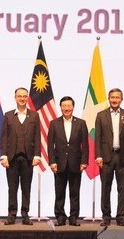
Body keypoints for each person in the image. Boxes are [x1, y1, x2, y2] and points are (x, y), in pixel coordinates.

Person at [94, 88, 124, 227]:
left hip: (123, 156)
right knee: (106, 187)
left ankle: (120, 216)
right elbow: (98, 138)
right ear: (108, 98)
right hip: (106, 157)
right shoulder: (101, 115)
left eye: (117, 97)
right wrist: (98, 156)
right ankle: (106, 216)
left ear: (121, 99)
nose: (114, 100)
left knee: (122, 188)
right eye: (112, 97)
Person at [0, 87, 41, 225]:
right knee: (12, 187)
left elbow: (37, 136)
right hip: (11, 158)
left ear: (27, 98)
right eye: (19, 96)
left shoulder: (34, 115)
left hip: (28, 158)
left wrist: (37, 156)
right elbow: (4, 137)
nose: (22, 98)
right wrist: (4, 155)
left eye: (24, 96)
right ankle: (11, 214)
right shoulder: (8, 115)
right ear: (15, 98)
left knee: (26, 187)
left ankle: (25, 214)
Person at [47, 96, 89, 226]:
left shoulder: (81, 123)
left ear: (73, 107)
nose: (66, 108)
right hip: (59, 164)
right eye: (64, 106)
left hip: (76, 163)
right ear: (60, 107)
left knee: (74, 192)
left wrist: (84, 161)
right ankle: (60, 217)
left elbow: (85, 145)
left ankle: (73, 217)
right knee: (59, 192)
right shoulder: (54, 123)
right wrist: (52, 162)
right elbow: (50, 145)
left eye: (69, 106)